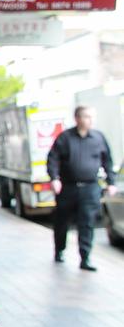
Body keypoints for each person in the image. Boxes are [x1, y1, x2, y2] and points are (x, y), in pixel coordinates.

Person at [47, 106, 117, 271]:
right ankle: (59, 250)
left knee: (87, 223)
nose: (90, 120)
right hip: (68, 188)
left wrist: (111, 182)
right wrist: (54, 178)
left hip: (90, 187)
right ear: (77, 118)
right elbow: (53, 158)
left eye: (92, 117)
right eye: (87, 117)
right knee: (62, 221)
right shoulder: (65, 138)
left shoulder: (98, 138)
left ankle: (85, 258)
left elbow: (107, 161)